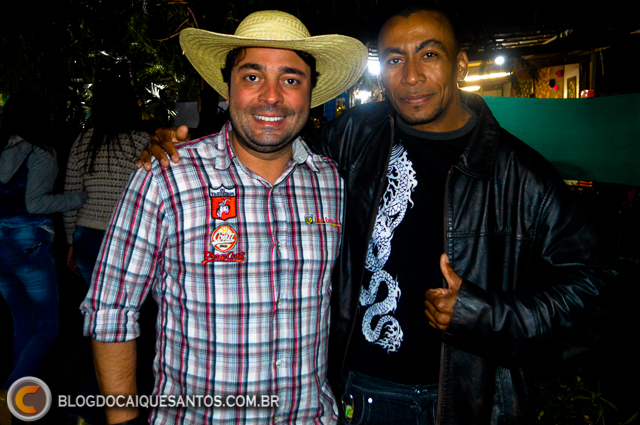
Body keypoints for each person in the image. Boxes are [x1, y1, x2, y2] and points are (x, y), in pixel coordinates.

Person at [144, 7, 617, 425]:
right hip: (354, 391)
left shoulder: (519, 174)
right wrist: (186, 146)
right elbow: (272, 146)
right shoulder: (357, 135)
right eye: (394, 59)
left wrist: (484, 316)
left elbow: (598, 290)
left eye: (429, 54)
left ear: (460, 65)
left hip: (459, 401)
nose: (410, 76)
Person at [81, 10, 368, 425]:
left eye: (291, 80)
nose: (271, 96)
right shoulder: (167, 177)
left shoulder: (334, 184)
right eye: (252, 76)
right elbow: (110, 309)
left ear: (311, 93)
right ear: (228, 88)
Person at [0, 93, 87, 424]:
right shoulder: (41, 152)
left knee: (23, 321)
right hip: (28, 243)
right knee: (49, 325)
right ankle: (8, 395)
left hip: (1, 243)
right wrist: (80, 197)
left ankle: (16, 401)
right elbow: (36, 203)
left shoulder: (2, 148)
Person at [64, 75, 150, 286]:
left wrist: (70, 241)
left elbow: (71, 196)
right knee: (125, 301)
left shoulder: (83, 141)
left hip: (87, 235)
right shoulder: (143, 142)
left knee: (95, 300)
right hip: (127, 235)